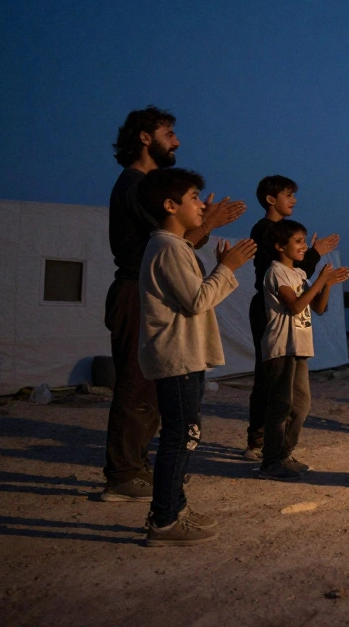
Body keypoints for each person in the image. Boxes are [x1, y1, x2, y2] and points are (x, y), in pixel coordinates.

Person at [101, 106, 244, 502]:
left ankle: (137, 468)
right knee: (135, 384)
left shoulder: (145, 187)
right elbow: (166, 240)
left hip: (147, 289)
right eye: (168, 134)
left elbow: (179, 242)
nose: (176, 141)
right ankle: (123, 474)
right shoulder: (134, 185)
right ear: (145, 138)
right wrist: (208, 225)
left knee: (151, 389)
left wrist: (203, 226)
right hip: (135, 292)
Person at [136, 167, 256, 545]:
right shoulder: (168, 247)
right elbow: (197, 300)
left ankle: (175, 507)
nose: (202, 206)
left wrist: (218, 265)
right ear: (170, 205)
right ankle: (164, 520)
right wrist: (228, 268)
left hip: (185, 357)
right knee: (181, 437)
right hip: (177, 358)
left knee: (184, 435)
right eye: (193, 200)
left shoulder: (176, 246)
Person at [243, 175, 338, 461]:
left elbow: (302, 281)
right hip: (271, 311)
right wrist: (316, 256)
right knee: (271, 382)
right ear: (271, 199)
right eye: (288, 194)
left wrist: (324, 280)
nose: (293, 200)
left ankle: (278, 445)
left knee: (295, 397)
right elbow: (289, 280)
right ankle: (261, 443)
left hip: (294, 327)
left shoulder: (290, 260)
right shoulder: (266, 231)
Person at [257, 219, 349, 481]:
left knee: (301, 405)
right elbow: (296, 306)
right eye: (298, 242)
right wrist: (320, 279)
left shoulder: (298, 274)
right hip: (281, 346)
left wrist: (328, 283)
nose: (303, 247)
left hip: (299, 346)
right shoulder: (275, 272)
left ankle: (285, 454)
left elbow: (317, 308)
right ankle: (271, 461)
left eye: (304, 241)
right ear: (279, 246)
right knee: (280, 406)